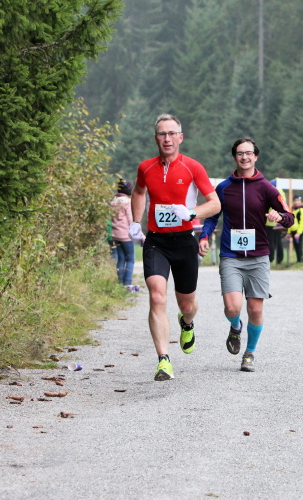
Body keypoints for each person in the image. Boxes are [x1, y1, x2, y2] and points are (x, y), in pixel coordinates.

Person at [128, 114, 221, 381]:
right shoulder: (146, 167)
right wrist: (135, 222)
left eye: (171, 133)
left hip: (184, 241)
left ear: (180, 137)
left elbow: (215, 204)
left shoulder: (193, 167)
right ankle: (163, 360)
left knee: (187, 305)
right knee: (157, 296)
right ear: (155, 138)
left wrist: (191, 213)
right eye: (162, 134)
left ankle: (187, 323)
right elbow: (139, 192)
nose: (167, 139)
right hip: (156, 241)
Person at [198, 138, 294, 372]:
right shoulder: (223, 188)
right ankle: (235, 327)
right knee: (232, 308)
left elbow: (289, 217)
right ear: (235, 157)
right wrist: (204, 236)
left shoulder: (267, 188)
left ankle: (249, 353)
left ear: (256, 156)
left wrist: (280, 217)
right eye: (240, 153)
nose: (245, 157)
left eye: (249, 153)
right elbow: (212, 215)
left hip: (258, 255)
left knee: (256, 309)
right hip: (231, 255)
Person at [111, 179, 140, 288]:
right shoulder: (127, 202)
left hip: (115, 234)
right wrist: (138, 233)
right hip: (126, 235)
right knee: (130, 259)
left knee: (121, 258)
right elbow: (130, 219)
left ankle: (120, 283)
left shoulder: (113, 201)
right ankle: (127, 283)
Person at [265, 179, 286, 265]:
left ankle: (271, 258)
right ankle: (280, 259)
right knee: (279, 241)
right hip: (279, 221)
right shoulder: (282, 193)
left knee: (270, 241)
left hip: (270, 221)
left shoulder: (270, 192)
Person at [286, 195, 303, 263]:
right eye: (295, 200)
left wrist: (299, 232)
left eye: (298, 200)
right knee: (295, 245)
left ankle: (300, 260)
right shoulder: (293, 210)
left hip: (298, 231)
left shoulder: (301, 210)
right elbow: (291, 222)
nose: (296, 202)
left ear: (301, 201)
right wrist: (289, 232)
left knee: (298, 245)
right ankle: (298, 260)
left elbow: (302, 222)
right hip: (293, 230)